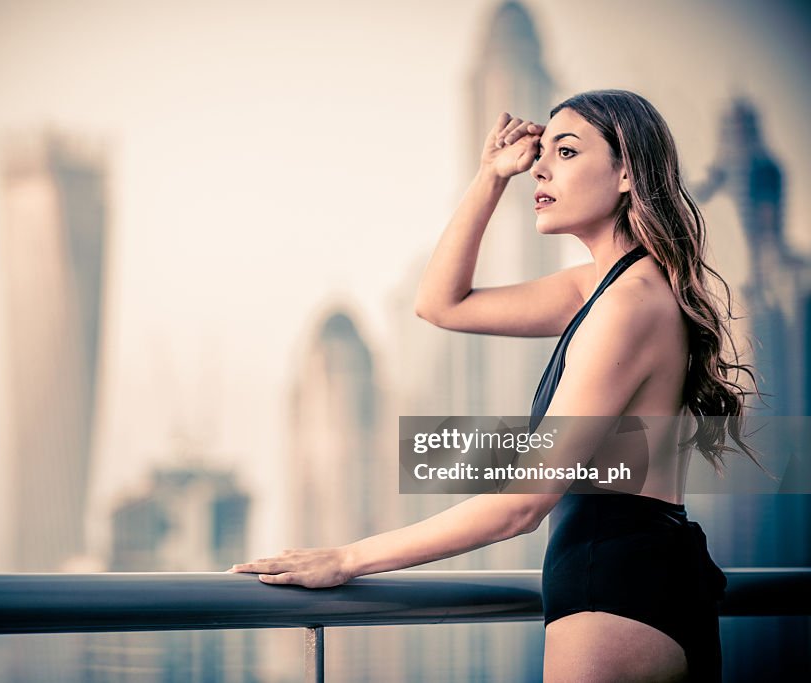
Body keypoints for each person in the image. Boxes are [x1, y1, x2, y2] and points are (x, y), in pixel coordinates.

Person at [230, 90, 760, 682]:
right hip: (641, 580)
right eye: (543, 153)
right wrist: (488, 178)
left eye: (566, 151)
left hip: (614, 591)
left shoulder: (628, 304)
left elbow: (521, 504)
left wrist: (346, 558)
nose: (540, 167)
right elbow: (440, 304)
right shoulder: (604, 287)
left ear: (627, 173)